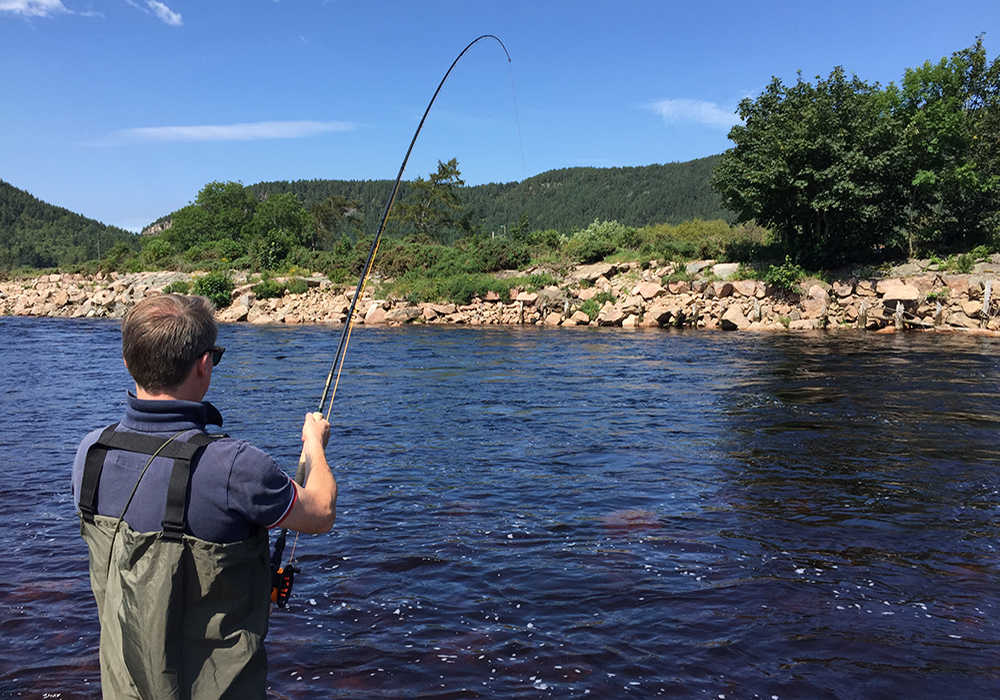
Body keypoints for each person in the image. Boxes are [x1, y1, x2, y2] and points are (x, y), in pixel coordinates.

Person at [72, 293, 338, 700]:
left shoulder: (90, 454)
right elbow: (321, 512)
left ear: (129, 363)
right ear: (204, 364)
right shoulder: (235, 466)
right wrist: (314, 446)